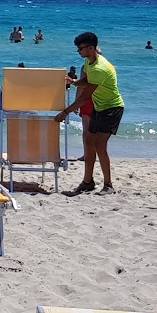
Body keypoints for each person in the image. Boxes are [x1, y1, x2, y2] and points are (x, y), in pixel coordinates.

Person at [55, 32, 123, 195]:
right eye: (78, 48)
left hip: (112, 108)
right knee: (88, 141)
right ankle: (88, 181)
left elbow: (85, 96)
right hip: (100, 107)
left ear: (91, 48)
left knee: (100, 144)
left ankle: (108, 185)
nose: (78, 51)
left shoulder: (100, 68)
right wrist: (73, 82)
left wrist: (65, 112)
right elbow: (86, 82)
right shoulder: (89, 61)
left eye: (81, 48)